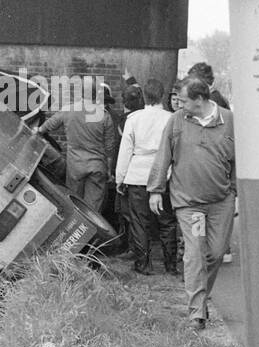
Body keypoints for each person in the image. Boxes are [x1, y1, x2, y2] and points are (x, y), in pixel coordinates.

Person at [147, 77, 235, 330]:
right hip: (189, 203)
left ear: (199, 100)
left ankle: (201, 297)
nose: (179, 104)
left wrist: (235, 190)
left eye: (184, 100)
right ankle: (197, 312)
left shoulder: (229, 121)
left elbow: (240, 159)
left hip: (220, 201)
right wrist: (155, 190)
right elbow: (164, 153)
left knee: (216, 253)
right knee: (195, 252)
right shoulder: (177, 121)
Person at [116, 79, 179, 275]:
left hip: (138, 174)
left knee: (139, 222)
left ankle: (143, 263)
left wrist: (120, 177)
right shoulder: (171, 119)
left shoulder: (134, 119)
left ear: (144, 96)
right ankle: (170, 265)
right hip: (164, 174)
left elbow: (125, 150)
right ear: (162, 95)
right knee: (167, 221)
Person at [37, 75, 118, 215]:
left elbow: (44, 128)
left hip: (75, 167)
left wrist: (36, 131)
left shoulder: (68, 110)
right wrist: (109, 171)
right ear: (96, 93)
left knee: (75, 208)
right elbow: (110, 148)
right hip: (97, 167)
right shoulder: (104, 116)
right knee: (93, 212)